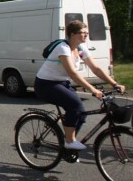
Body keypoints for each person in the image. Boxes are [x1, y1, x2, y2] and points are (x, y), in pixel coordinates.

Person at [34, 20, 126, 150]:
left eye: (87, 33)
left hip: (62, 82)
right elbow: (73, 73)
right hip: (46, 84)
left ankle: (68, 141)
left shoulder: (81, 49)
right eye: (83, 33)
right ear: (72, 34)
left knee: (81, 113)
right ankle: (70, 142)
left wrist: (114, 83)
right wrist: (92, 89)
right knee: (75, 106)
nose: (86, 35)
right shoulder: (63, 48)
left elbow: (96, 69)